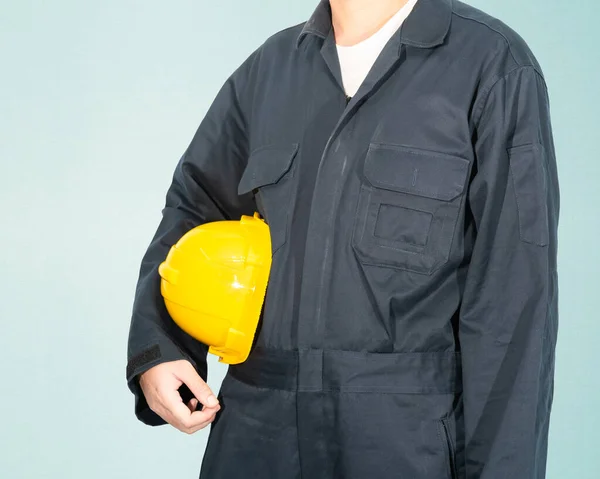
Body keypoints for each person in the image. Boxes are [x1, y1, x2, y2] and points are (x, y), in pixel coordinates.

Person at [125, 0, 560, 477]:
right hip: (255, 433)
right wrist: (159, 349)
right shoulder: (269, 72)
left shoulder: (492, 67)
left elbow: (512, 306)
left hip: (405, 444)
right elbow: (194, 205)